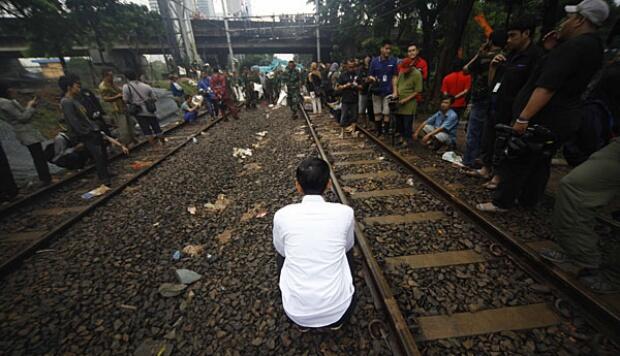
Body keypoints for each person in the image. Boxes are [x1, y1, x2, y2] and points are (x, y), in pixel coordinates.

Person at [477, 0, 609, 213]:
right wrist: (553, 49)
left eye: (570, 18)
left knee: (518, 156)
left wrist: (523, 117)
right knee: (539, 160)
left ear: (580, 21)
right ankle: (528, 200)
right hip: (562, 117)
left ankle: (502, 201)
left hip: (544, 117)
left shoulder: (574, 47)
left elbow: (547, 86)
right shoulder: (594, 47)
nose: (565, 23)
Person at [273, 158, 356, 331]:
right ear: (328, 184)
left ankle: (302, 323)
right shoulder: (345, 213)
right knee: (346, 251)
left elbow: (281, 250)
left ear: (298, 186)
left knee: (283, 254)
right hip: (339, 310)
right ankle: (336, 323)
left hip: (296, 313)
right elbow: (348, 246)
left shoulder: (282, 215)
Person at [470, 17, 544, 190]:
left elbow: (534, 87)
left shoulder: (535, 57)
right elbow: (492, 83)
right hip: (495, 105)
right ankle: (486, 168)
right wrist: (493, 68)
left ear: (526, 34)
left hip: (513, 109)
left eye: (513, 36)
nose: (509, 40)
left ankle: (499, 176)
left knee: (505, 144)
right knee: (489, 139)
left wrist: (524, 115)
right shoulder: (509, 55)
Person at [461, 31, 507, 168]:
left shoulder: (485, 57)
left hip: (480, 97)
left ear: (490, 41)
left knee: (473, 130)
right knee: (486, 132)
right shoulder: (505, 57)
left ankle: (469, 161)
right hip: (496, 99)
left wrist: (479, 53)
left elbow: (465, 69)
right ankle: (481, 161)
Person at [59, 75, 112, 186]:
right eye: (76, 85)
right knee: (98, 155)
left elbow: (84, 117)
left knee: (101, 153)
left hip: (92, 130)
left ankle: (105, 174)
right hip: (87, 134)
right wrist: (87, 132)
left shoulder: (73, 100)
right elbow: (74, 122)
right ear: (69, 87)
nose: (79, 87)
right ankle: (104, 178)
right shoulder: (66, 102)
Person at [0, 82, 52, 187]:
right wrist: (30, 107)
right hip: (25, 132)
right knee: (38, 156)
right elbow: (23, 118)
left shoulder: (7, 102)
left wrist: (30, 107)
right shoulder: (5, 103)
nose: (12, 90)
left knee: (38, 155)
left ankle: (46, 178)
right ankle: (45, 178)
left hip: (25, 131)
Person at [393, 46, 424, 148]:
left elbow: (417, 91)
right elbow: (397, 84)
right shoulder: (402, 72)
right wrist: (396, 94)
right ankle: (401, 138)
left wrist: (406, 99)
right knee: (399, 122)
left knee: (407, 123)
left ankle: (407, 141)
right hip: (400, 101)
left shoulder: (417, 74)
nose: (404, 71)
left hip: (409, 103)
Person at [122, 71, 164, 145]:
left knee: (146, 130)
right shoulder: (146, 86)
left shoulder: (126, 87)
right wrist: (146, 100)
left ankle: (155, 147)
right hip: (150, 110)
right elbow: (154, 98)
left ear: (127, 78)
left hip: (138, 112)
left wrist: (134, 101)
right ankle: (163, 143)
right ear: (136, 76)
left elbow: (125, 100)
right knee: (156, 127)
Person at [99, 70, 137, 146]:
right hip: (116, 108)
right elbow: (105, 98)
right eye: (110, 75)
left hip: (122, 106)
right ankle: (125, 143)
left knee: (130, 123)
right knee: (123, 126)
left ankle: (132, 138)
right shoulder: (103, 86)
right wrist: (117, 96)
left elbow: (119, 90)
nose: (112, 77)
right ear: (105, 76)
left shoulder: (112, 83)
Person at [368, 39, 398, 136]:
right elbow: (370, 75)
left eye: (389, 49)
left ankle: (385, 130)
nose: (388, 51)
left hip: (388, 91)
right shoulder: (374, 61)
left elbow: (394, 77)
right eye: (386, 48)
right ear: (381, 49)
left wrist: (395, 91)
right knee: (377, 112)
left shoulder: (393, 61)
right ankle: (378, 131)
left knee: (386, 112)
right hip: (376, 91)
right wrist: (373, 79)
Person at [335, 59, 361, 138]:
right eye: (350, 67)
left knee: (354, 116)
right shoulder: (343, 75)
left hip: (354, 98)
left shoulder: (357, 75)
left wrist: (356, 86)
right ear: (347, 66)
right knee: (343, 115)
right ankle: (342, 133)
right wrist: (345, 86)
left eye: (353, 67)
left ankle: (353, 131)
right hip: (345, 98)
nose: (351, 68)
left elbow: (361, 86)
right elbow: (337, 87)